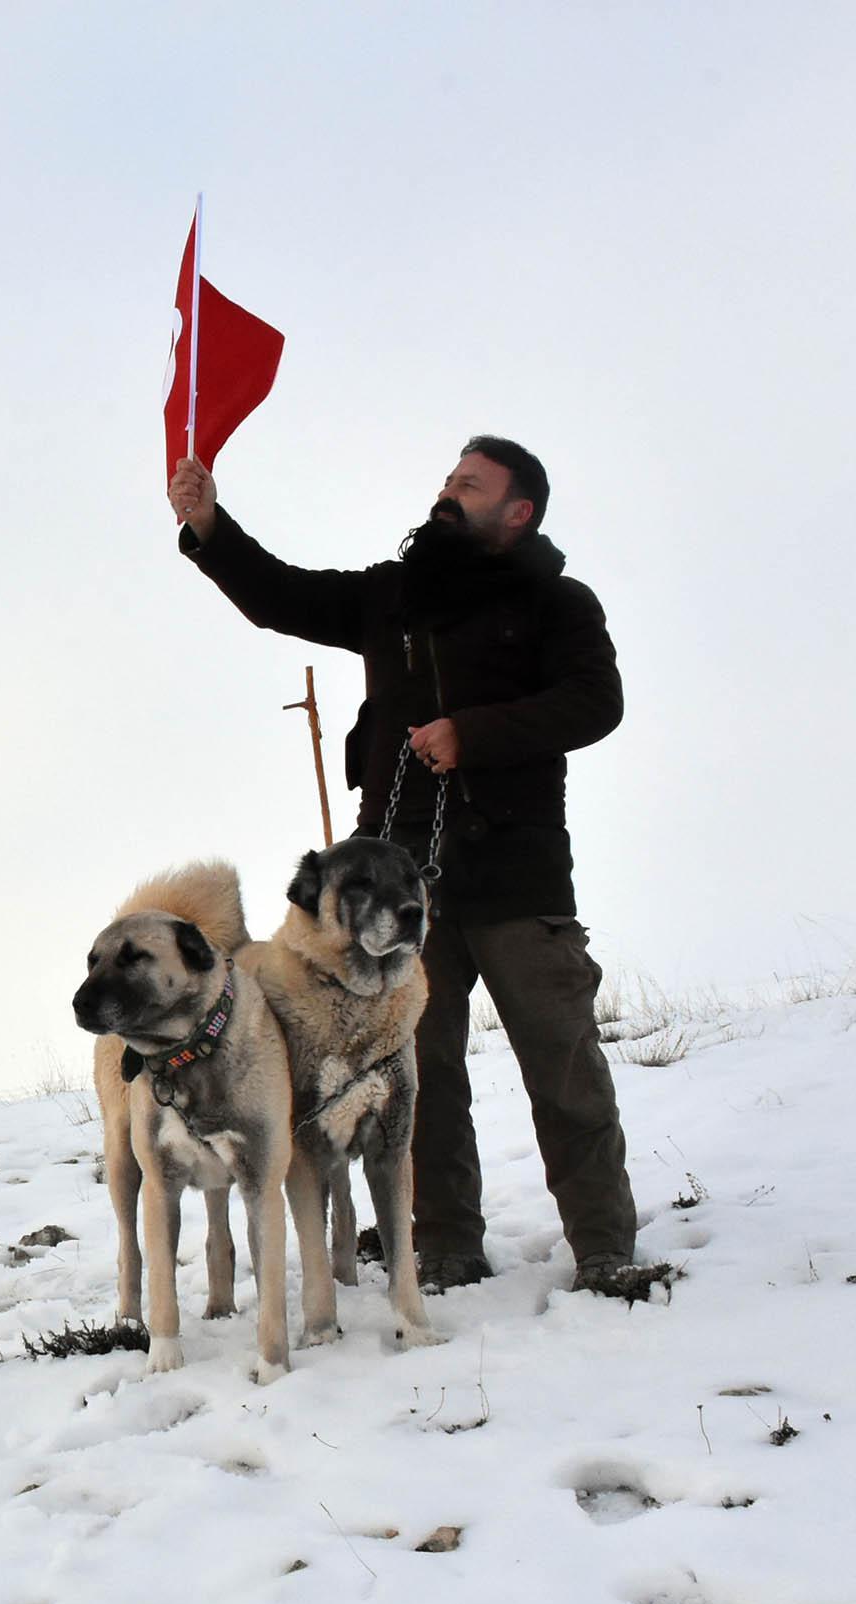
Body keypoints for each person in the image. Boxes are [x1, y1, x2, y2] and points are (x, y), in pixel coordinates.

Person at [167, 439, 642, 1295]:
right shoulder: (393, 596)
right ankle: (446, 1243)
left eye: (470, 484)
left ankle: (604, 1243)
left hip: (518, 874)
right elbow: (282, 595)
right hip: (392, 885)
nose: (448, 493)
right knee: (418, 1077)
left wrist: (475, 733)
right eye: (448, 479)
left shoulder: (557, 602)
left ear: (517, 511)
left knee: (561, 1065)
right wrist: (208, 525)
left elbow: (596, 702)